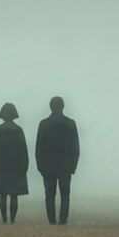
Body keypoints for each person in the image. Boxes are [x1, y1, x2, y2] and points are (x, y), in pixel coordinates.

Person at [35, 96, 80, 225]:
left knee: (49, 195)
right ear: (63, 106)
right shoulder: (70, 123)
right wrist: (73, 165)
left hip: (48, 166)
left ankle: (51, 220)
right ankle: (63, 219)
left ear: (50, 106)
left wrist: (39, 165)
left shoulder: (44, 124)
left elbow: (39, 147)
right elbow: (75, 147)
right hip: (66, 166)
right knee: (65, 195)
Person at [0, 103, 29, 223]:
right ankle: (12, 219)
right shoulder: (18, 130)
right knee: (14, 195)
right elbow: (24, 152)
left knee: (2, 195)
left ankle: (4, 219)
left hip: (0, 168)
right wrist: (24, 169)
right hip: (16, 169)